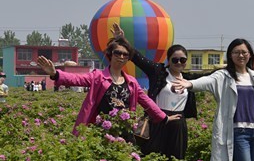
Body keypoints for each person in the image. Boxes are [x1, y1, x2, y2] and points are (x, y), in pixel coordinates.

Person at [36, 38, 172, 135]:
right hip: (101, 130)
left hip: (124, 131)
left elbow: (146, 101)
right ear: (109, 55)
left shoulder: (132, 82)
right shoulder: (98, 76)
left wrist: (164, 117)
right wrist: (55, 74)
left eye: (125, 54)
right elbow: (77, 79)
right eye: (117, 53)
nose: (121, 56)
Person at [112, 23, 207, 159]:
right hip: (157, 120)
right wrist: (122, 40)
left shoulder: (188, 79)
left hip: (178, 125)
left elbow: (210, 76)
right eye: (175, 60)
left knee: (176, 160)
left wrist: (231, 69)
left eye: (182, 60)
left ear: (186, 61)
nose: (179, 63)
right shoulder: (158, 71)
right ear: (168, 60)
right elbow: (137, 58)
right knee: (151, 156)